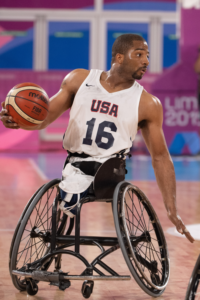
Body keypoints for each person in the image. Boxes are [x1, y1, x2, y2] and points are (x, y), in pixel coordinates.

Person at [0, 33, 194, 243]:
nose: (146, 61)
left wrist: (171, 209)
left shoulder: (148, 103)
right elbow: (44, 119)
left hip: (110, 170)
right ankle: (73, 193)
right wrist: (19, 121)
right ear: (119, 58)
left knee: (82, 183)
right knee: (71, 180)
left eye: (147, 56)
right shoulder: (79, 80)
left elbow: (160, 157)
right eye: (139, 54)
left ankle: (74, 193)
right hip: (74, 163)